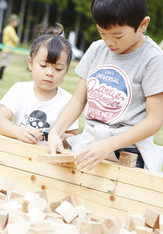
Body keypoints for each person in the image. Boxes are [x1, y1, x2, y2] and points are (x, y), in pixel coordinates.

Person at [47, 0, 163, 172]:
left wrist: (109, 145)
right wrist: (55, 132)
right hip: (90, 144)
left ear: (143, 24)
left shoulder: (153, 59)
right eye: (102, 32)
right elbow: (78, 100)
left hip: (128, 152)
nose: (110, 42)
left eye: (118, 36)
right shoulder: (96, 49)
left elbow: (154, 120)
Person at [0, 23, 79, 147]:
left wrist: (57, 137)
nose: (50, 73)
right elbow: (0, 121)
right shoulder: (19, 90)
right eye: (43, 66)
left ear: (66, 70)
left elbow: (72, 135)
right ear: (30, 63)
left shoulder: (68, 101)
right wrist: (19, 132)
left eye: (58, 69)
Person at [0, 14, 19, 81]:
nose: (17, 23)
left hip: (8, 49)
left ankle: (0, 78)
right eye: (16, 22)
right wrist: (15, 39)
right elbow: (16, 39)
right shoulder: (10, 29)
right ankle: (0, 79)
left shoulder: (8, 28)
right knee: (3, 64)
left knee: (4, 64)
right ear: (12, 21)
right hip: (7, 49)